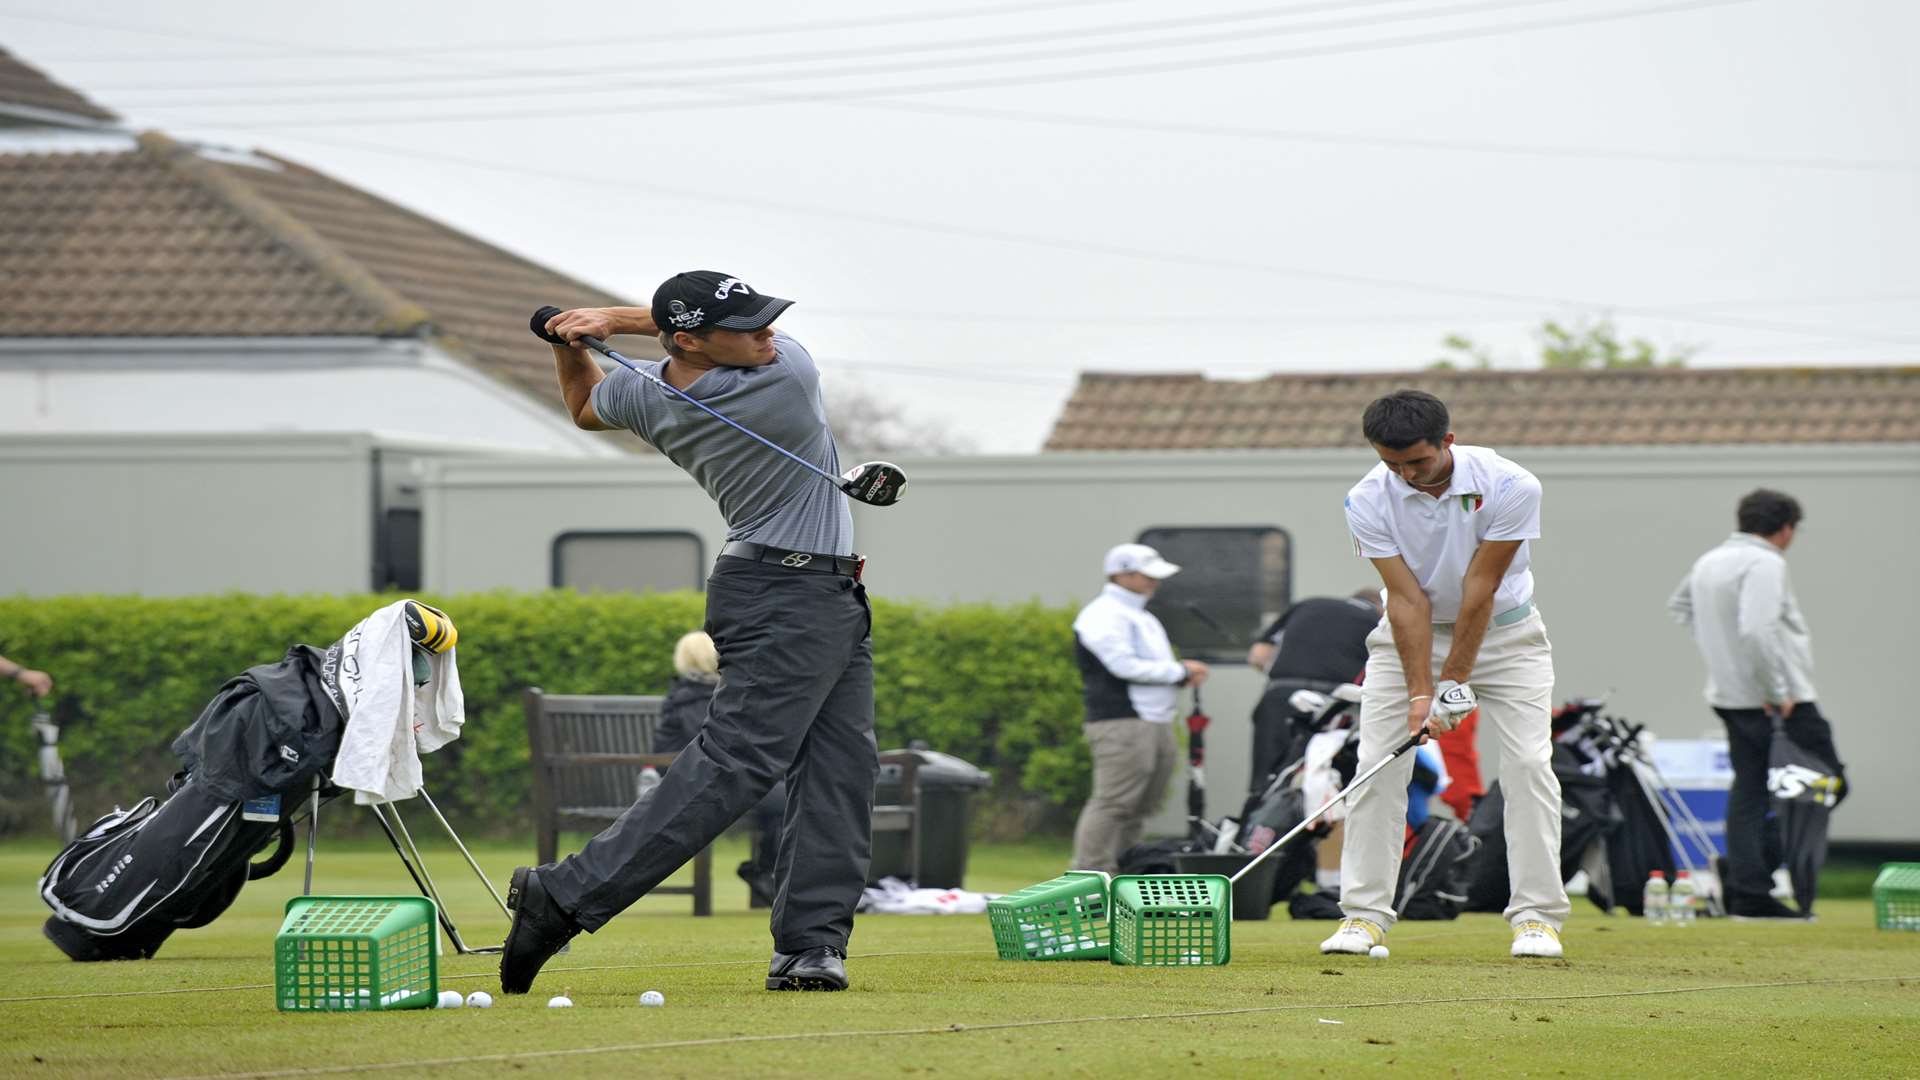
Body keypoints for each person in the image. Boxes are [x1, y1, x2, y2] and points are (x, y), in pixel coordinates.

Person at [503, 271, 877, 995]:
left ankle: (810, 945)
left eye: (767, 321)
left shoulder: (649, 396)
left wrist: (571, 344)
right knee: (739, 762)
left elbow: (582, 405)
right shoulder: (785, 379)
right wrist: (607, 320)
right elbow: (636, 352)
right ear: (690, 341)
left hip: (815, 592)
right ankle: (567, 894)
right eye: (748, 327)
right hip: (786, 594)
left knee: (841, 768)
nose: (768, 335)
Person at [1323, 390, 1569, 959]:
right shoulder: (1366, 498)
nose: (1407, 476)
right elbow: (1406, 600)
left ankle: (1536, 918)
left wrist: (1454, 682)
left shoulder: (1512, 486)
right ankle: (1364, 917)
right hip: (1407, 638)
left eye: (1418, 462)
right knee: (1376, 767)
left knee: (1530, 765)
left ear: (1447, 442)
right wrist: (1420, 692)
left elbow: (1479, 591)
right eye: (1393, 465)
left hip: (1510, 637)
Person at [1668, 488, 1844, 918]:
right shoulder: (1765, 562)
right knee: (1827, 782)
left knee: (1751, 789)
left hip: (1729, 696)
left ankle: (1747, 886)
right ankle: (1757, 879)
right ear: (1785, 529)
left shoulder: (1710, 560)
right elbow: (1757, 630)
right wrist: (1775, 689)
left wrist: (1720, 655)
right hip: (1779, 700)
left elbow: (1680, 606)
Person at [1069, 543, 1209, 875]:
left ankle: (1123, 872)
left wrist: (1178, 673)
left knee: (1140, 807)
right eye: (1146, 576)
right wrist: (1180, 671)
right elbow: (1122, 665)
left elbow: (1146, 666)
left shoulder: (1142, 616)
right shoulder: (1102, 614)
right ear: (1121, 574)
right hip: (1122, 721)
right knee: (1113, 802)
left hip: (1153, 721)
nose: (1154, 582)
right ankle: (1089, 877)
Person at [653, 630, 785, 906]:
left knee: (786, 796)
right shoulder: (695, 698)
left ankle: (764, 871)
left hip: (717, 775)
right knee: (787, 798)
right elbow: (713, 743)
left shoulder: (697, 693)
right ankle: (763, 871)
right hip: (697, 780)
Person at [1243, 589, 1379, 800]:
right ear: (1380, 606)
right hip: (1334, 705)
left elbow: (1258, 656)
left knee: (1267, 781)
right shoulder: (1377, 620)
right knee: (1326, 784)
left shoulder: (1308, 604)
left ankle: (1262, 825)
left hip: (1281, 697)